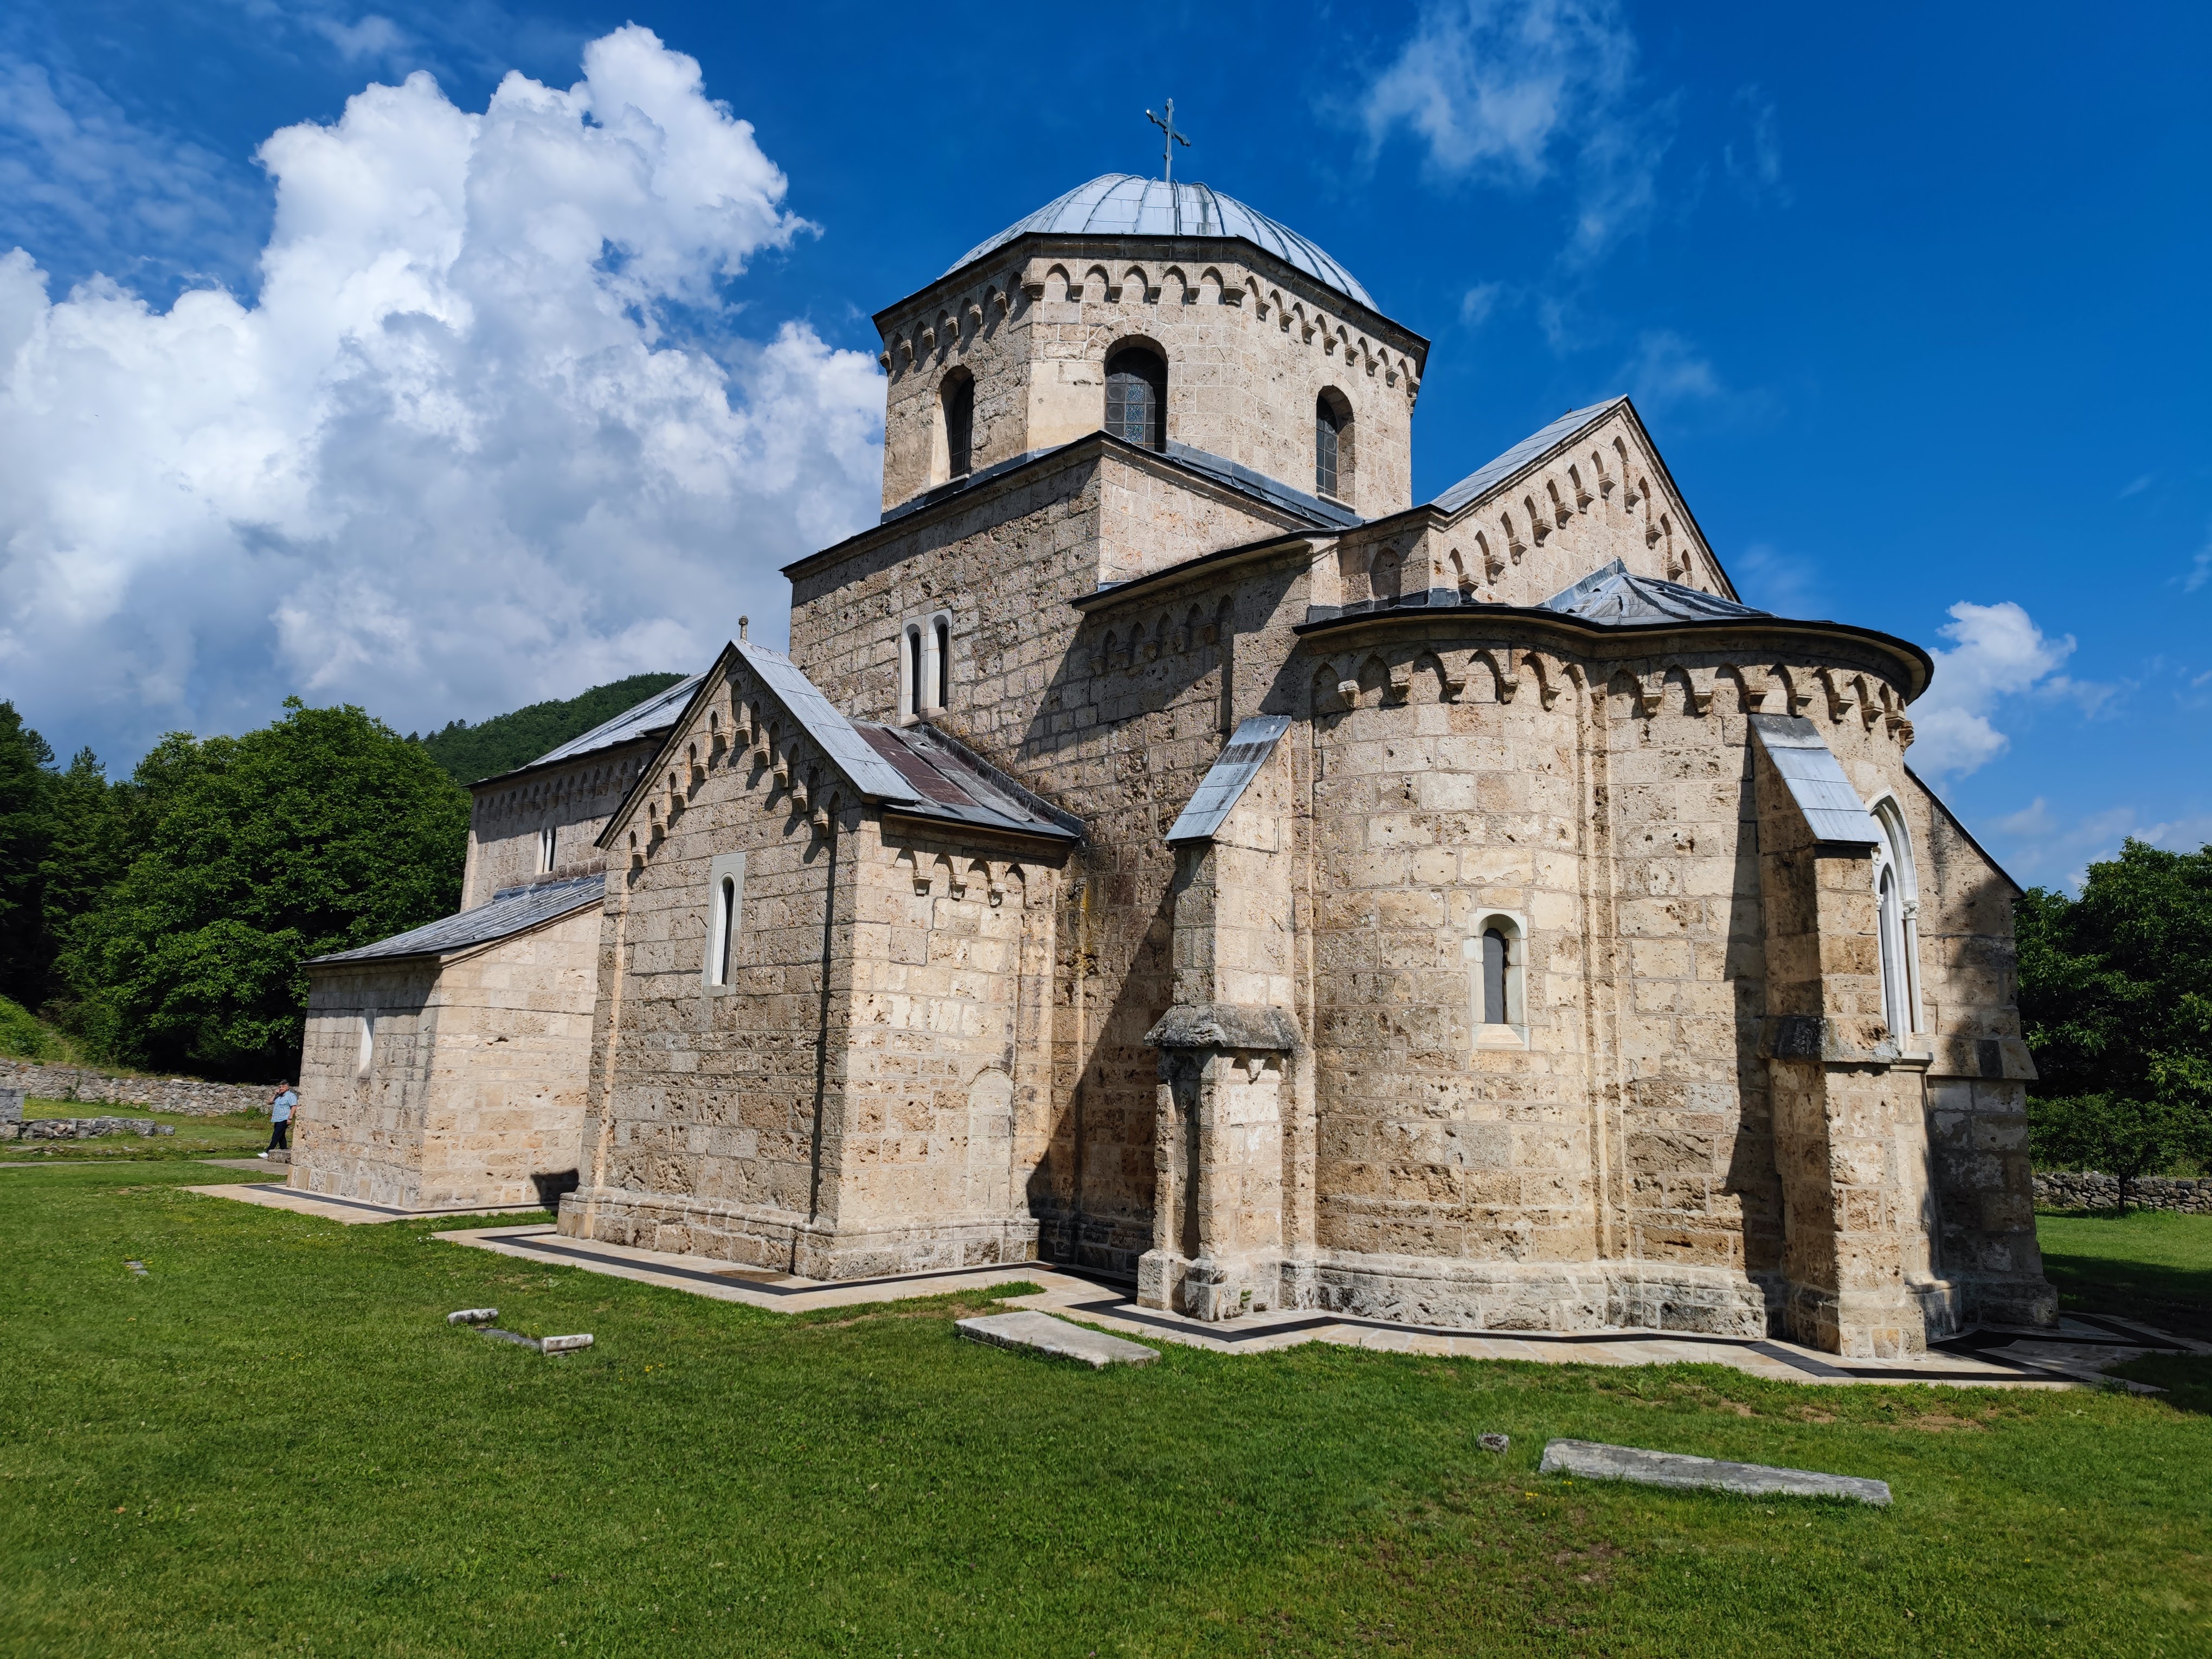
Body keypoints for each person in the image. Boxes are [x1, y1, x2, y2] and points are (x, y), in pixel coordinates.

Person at [260, 1081, 297, 1158]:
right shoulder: (279, 1096)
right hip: (277, 1118)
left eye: (283, 1087)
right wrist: (275, 1095)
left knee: (276, 1135)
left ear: (287, 1088)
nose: (281, 1089)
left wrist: (290, 1118)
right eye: (280, 1087)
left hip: (284, 1119)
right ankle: (284, 1150)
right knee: (281, 1136)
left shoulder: (291, 1096)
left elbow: (294, 1106)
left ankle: (268, 1152)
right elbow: (270, 1102)